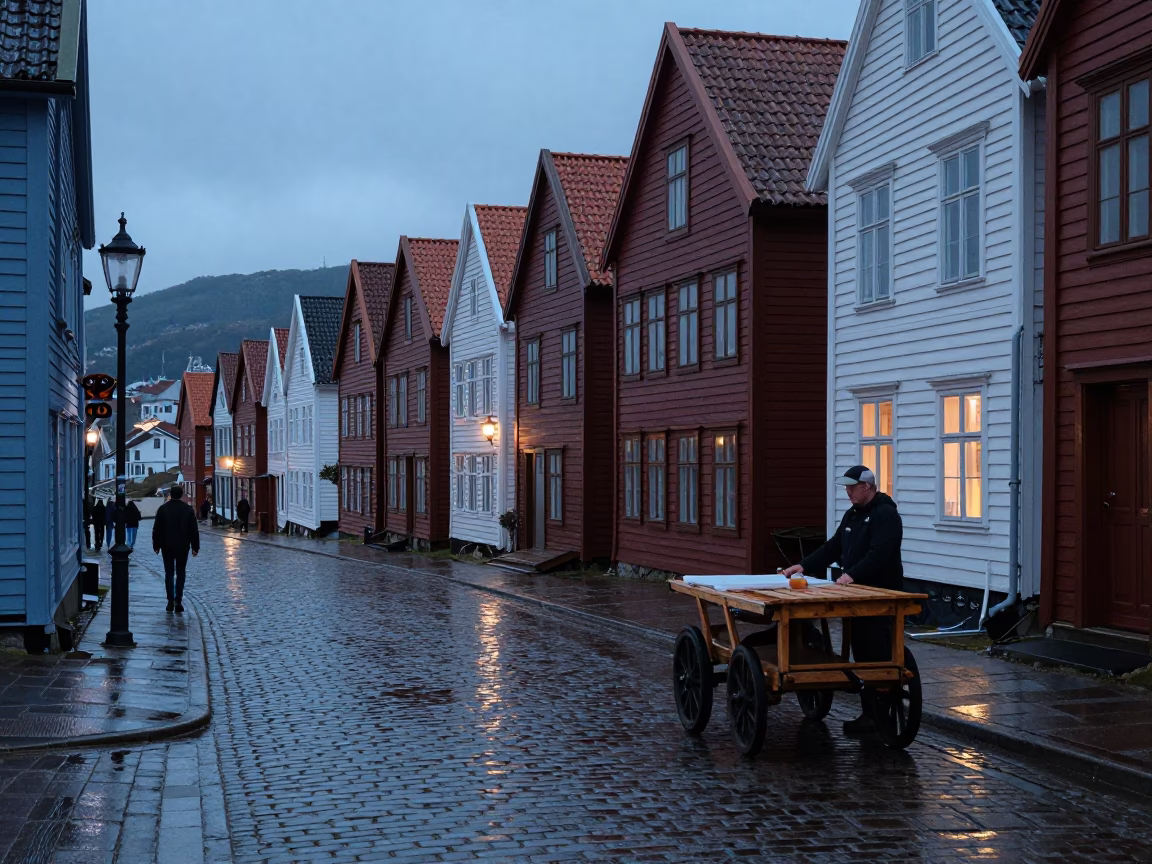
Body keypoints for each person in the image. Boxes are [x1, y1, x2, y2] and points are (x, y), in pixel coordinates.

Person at [782, 465, 903, 735]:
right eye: (846, 487)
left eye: (852, 487)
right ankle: (869, 713)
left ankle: (880, 714)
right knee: (861, 651)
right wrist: (803, 566)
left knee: (876, 652)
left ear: (867, 487)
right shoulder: (853, 514)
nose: (847, 492)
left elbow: (880, 553)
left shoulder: (886, 515)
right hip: (856, 596)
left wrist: (851, 575)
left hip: (880, 595)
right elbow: (833, 546)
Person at [153, 484, 199, 614]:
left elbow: (157, 529)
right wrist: (195, 547)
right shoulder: (188, 510)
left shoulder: (163, 509)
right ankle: (178, 599)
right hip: (183, 546)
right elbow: (193, 530)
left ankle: (170, 601)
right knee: (180, 572)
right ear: (182, 495)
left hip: (167, 546)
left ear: (170, 495)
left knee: (169, 573)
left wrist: (156, 545)